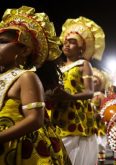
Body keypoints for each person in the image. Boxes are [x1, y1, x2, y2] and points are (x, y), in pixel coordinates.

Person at [0, 6, 71, 164]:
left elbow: (35, 119)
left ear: (24, 51)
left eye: (2, 42)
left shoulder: (26, 77)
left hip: (20, 149)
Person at [50, 16, 105, 165]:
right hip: (57, 114)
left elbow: (89, 93)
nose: (67, 45)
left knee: (73, 153)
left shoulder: (83, 64)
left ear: (81, 47)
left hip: (75, 115)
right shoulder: (58, 67)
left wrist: (69, 96)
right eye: (66, 42)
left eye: (72, 42)